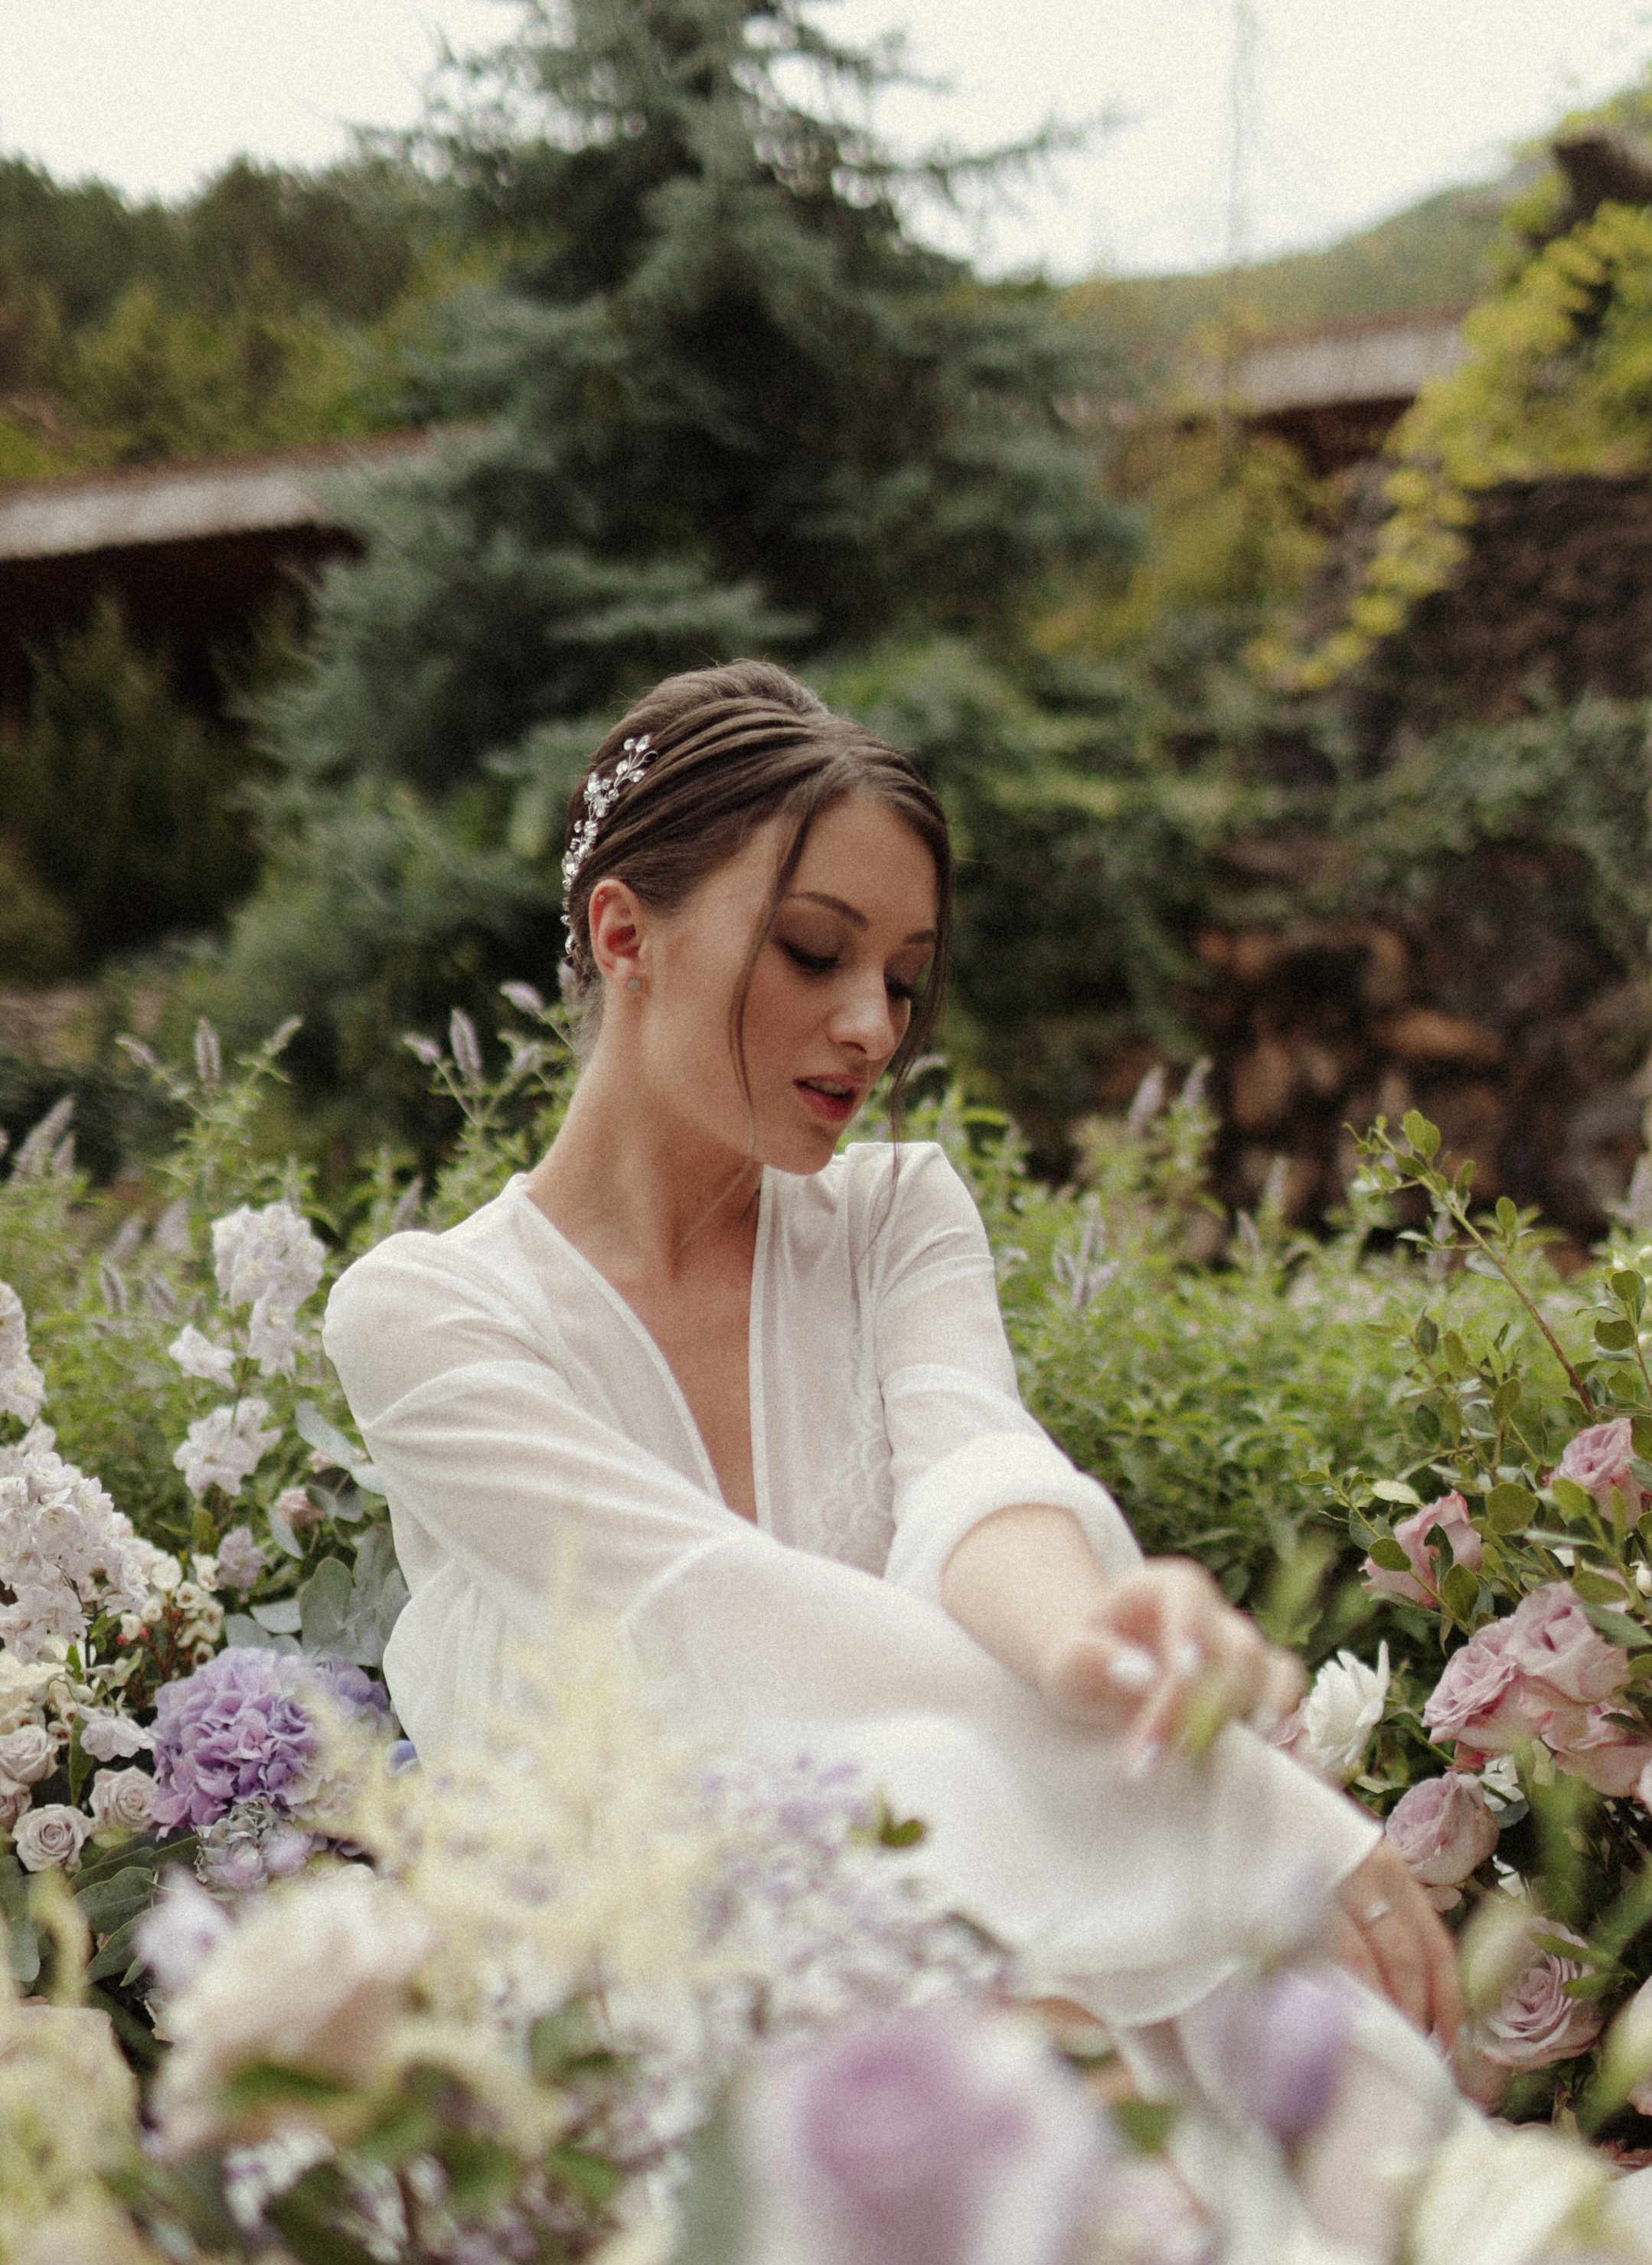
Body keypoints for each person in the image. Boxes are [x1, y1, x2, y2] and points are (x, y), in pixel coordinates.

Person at [323, 660, 1458, 2035]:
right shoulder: (428, 1315)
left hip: (964, 1934)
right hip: (640, 1999)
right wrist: (1244, 1802)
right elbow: (718, 1619)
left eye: (905, 979)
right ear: (623, 933)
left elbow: (971, 1469)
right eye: (815, 950)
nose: (872, 1026)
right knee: (934, 1801)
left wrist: (1090, 1643)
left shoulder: (895, 1211)